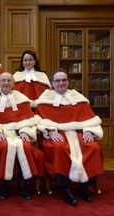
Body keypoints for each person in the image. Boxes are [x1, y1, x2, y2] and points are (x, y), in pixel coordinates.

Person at [34, 68, 104, 206]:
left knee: (92, 147)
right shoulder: (45, 99)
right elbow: (39, 119)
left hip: (79, 133)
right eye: (58, 80)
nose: (61, 83)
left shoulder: (78, 98)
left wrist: (89, 130)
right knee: (59, 148)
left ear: (68, 82)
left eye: (64, 80)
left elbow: (91, 119)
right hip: (58, 134)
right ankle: (65, 188)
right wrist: (50, 131)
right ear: (52, 83)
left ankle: (84, 187)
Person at [0, 72, 44, 200]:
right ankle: (5, 184)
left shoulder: (22, 99)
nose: (6, 83)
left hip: (19, 133)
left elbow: (30, 120)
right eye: (3, 80)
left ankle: (22, 184)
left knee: (25, 146)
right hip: (0, 133)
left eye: (9, 80)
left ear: (14, 84)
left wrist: (25, 131)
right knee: (4, 146)